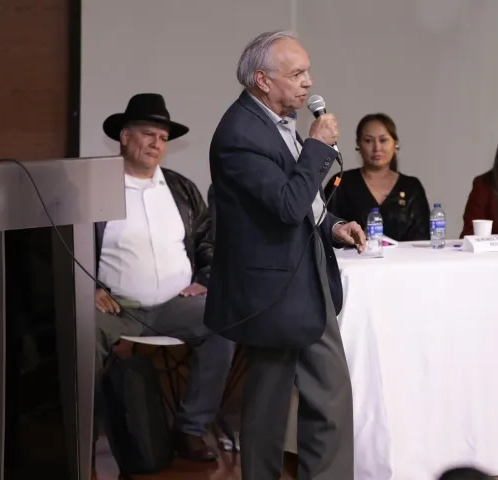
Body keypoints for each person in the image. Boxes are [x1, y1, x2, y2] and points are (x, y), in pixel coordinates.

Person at [205, 31, 365, 479]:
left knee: (328, 397)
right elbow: (287, 205)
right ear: (261, 80)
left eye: (307, 71)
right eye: (295, 74)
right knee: (269, 409)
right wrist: (316, 145)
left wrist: (334, 227)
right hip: (273, 288)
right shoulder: (240, 134)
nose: (307, 83)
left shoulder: (275, 121)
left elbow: (303, 202)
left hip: (305, 273)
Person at [94, 93, 233, 462]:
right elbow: (67, 248)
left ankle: (190, 429)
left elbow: (208, 240)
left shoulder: (180, 188)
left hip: (176, 304)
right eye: (148, 134)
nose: (156, 143)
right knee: (81, 334)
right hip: (116, 308)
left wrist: (205, 276)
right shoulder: (95, 187)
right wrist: (89, 288)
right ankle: (82, 435)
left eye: (162, 137)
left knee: (224, 322)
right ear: (125, 136)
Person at [323, 113, 431, 241]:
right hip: (353, 259)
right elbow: (324, 228)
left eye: (383, 140)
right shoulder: (341, 183)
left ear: (395, 144)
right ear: (358, 144)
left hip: (405, 260)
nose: (377, 148)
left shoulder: (411, 187)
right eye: (368, 140)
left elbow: (423, 238)